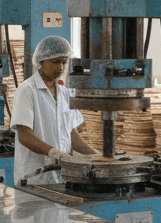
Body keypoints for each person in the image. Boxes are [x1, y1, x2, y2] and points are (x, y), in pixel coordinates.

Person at [10, 35, 97, 186]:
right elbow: (24, 135)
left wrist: (96, 156)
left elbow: (70, 133)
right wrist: (53, 152)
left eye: (64, 62)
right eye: (55, 62)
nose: (61, 68)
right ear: (41, 62)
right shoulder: (27, 90)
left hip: (62, 178)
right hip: (34, 178)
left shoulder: (64, 93)